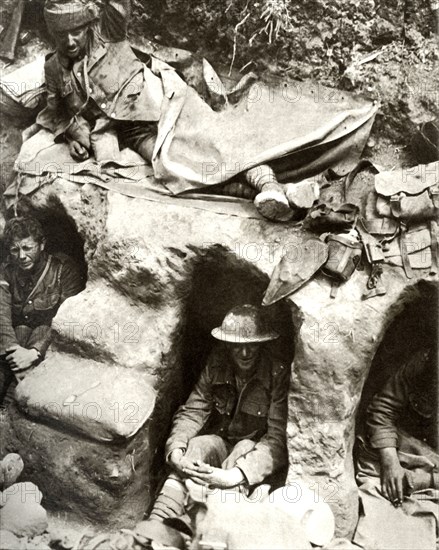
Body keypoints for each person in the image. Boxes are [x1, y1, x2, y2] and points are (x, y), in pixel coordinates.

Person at [34, 0, 300, 222]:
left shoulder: (109, 32)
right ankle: (275, 193)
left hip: (162, 100)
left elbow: (118, 6)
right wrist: (71, 136)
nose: (69, 41)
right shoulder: (54, 68)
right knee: (174, 170)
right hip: (131, 130)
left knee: (215, 142)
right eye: (61, 35)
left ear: (89, 24)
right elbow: (54, 112)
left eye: (76, 31)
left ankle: (269, 184)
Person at [138, 304, 290, 542]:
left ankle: (209, 535)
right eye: (238, 346)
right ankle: (155, 530)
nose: (245, 353)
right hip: (221, 444)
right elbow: (193, 410)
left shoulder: (276, 372)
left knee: (242, 450)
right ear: (228, 345)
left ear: (262, 344)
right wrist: (176, 449)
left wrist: (237, 474)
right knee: (197, 447)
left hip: (251, 460)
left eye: (252, 345)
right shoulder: (217, 363)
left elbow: (277, 438)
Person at [354, 348, 438, 549]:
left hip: (432, 470)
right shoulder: (424, 362)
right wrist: (389, 459)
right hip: (408, 450)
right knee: (375, 480)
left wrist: (421, 480)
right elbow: (382, 410)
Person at [0, 216, 85, 402]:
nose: (21, 256)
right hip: (14, 341)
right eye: (15, 250)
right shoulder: (6, 270)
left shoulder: (63, 270)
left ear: (42, 245)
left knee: (41, 330)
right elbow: (2, 314)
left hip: (46, 342)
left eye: (27, 248)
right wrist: (14, 352)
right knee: (19, 333)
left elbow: (68, 318)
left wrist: (34, 353)